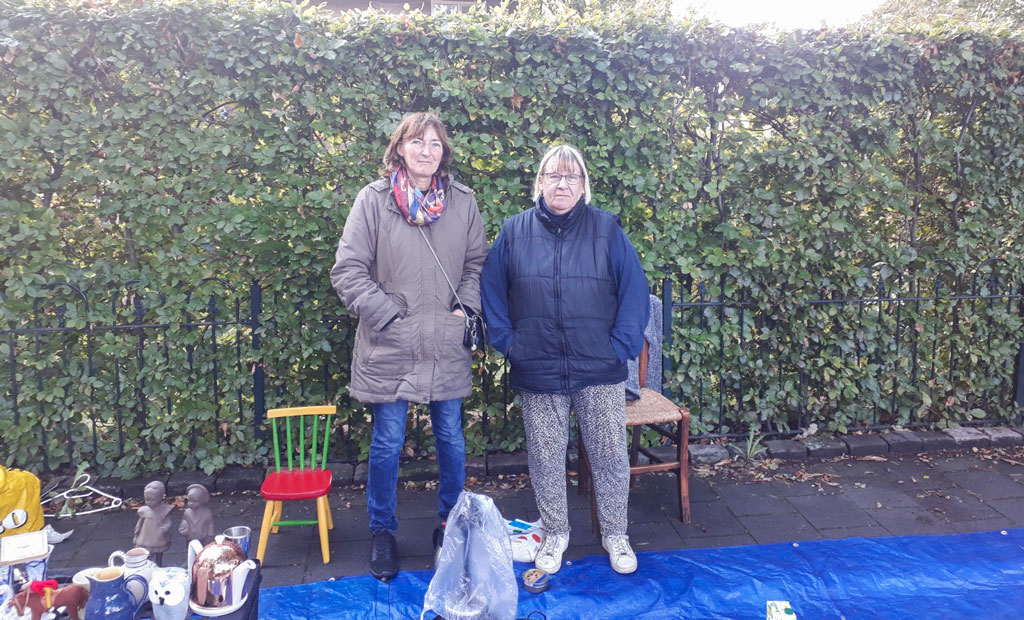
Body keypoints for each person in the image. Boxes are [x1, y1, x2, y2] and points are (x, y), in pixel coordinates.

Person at [330, 112, 487, 581]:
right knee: (387, 444)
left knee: (452, 440)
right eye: (417, 142)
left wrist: (466, 310)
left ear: (444, 153)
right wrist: (387, 314)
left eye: (435, 144)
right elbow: (348, 269)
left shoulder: (463, 202)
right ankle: (382, 532)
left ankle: (449, 527)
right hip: (391, 344)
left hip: (445, 342)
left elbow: (477, 263)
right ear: (399, 148)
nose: (426, 151)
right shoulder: (373, 200)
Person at [480, 144, 649, 575]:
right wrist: (509, 343)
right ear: (540, 181)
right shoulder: (514, 231)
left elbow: (633, 292)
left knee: (610, 455)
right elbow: (492, 292)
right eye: (553, 175)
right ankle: (555, 532)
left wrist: (621, 347)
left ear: (583, 185)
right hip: (537, 366)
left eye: (571, 177)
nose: (562, 184)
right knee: (545, 456)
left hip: (599, 367)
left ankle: (615, 534)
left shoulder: (607, 230)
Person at [133, 480, 173, 565]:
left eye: (152, 500)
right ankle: (146, 564)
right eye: (147, 499)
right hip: (145, 537)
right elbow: (140, 523)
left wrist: (165, 528)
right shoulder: (144, 511)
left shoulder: (164, 510)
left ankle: (159, 564)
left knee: (159, 552)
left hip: (158, 536)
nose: (149, 502)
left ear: (161, 497)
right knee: (144, 552)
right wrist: (136, 533)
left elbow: (168, 522)